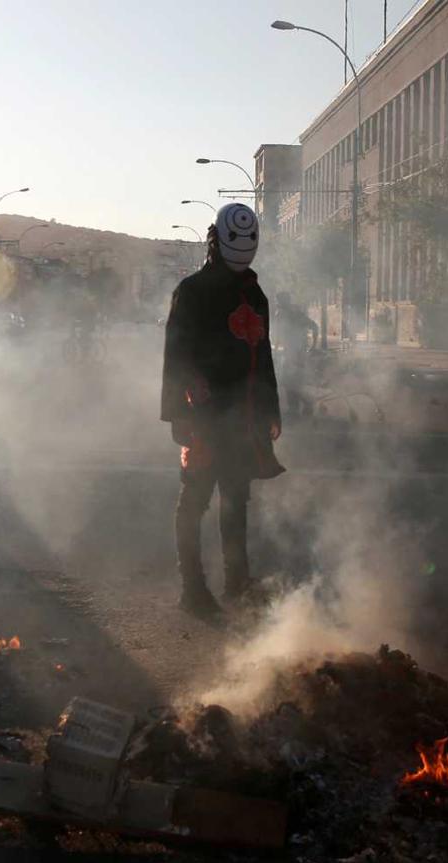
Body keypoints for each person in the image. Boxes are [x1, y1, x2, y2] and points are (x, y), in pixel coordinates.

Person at [161, 203, 284, 619]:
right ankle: (192, 589)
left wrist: (270, 409)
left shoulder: (255, 294)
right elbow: (175, 356)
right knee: (194, 501)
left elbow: (262, 353)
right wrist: (178, 412)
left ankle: (237, 581)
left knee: (236, 499)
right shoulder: (191, 292)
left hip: (242, 415)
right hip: (203, 414)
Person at [273, 291, 319, 418]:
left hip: (297, 354)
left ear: (285, 301)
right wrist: (276, 350)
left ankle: (306, 404)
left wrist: (313, 346)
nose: (277, 303)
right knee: (288, 381)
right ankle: (295, 408)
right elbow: (278, 336)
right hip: (288, 354)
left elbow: (315, 326)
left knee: (292, 382)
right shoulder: (280, 314)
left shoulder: (296, 315)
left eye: (279, 300)